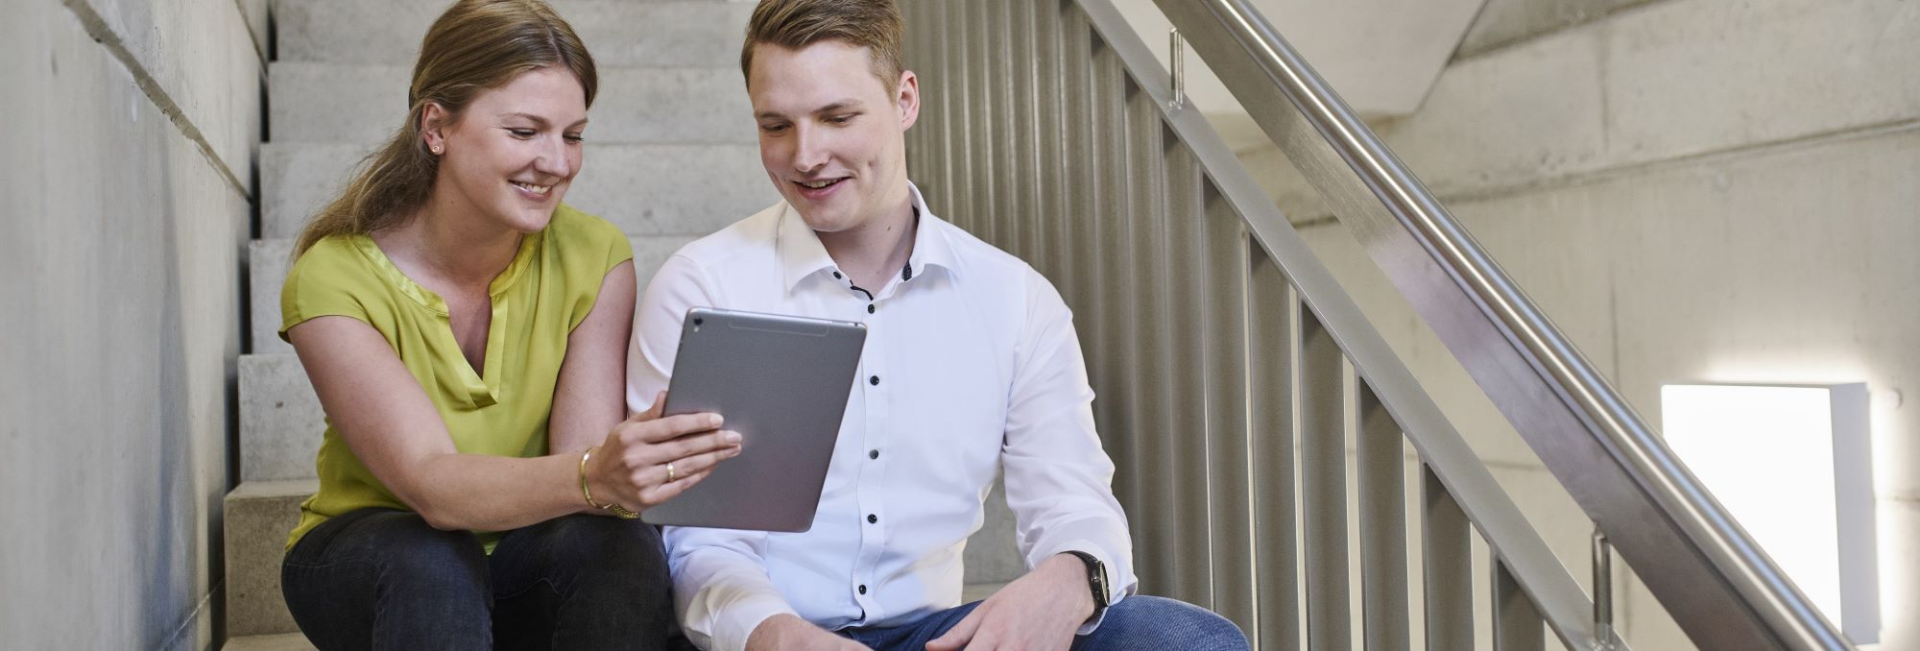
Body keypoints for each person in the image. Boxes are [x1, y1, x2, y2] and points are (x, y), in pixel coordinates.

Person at [626, 1, 1249, 649]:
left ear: (905, 99)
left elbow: (1075, 500)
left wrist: (1066, 582)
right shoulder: (706, 286)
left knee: (1187, 638)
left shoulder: (1013, 300)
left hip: (932, 634)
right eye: (776, 125)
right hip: (760, 635)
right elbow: (698, 539)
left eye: (838, 116)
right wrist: (775, 634)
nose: (805, 155)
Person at [276, 1, 740, 648]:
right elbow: (432, 486)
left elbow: (579, 472)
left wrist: (623, 470)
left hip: (520, 553)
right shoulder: (334, 276)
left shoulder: (595, 255)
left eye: (573, 135)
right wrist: (594, 471)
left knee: (617, 545)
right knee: (432, 558)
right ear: (436, 127)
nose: (556, 162)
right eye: (525, 132)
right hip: (373, 557)